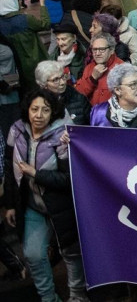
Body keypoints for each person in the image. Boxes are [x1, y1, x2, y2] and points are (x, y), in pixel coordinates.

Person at [3, 88, 86, 302]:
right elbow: (10, 167)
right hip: (32, 206)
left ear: (53, 113)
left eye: (45, 110)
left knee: (71, 255)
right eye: (34, 109)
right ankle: (48, 298)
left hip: (63, 207)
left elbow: (69, 180)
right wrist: (11, 203)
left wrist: (36, 174)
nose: (38, 115)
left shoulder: (63, 136)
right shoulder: (17, 130)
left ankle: (77, 296)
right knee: (33, 255)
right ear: (27, 110)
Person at [0, 0, 49, 89]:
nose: (19, 2)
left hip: (17, 67)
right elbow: (45, 24)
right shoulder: (26, 19)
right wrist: (42, 5)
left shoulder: (1, 24)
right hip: (36, 62)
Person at [76, 32, 126, 106]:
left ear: (111, 50)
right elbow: (78, 95)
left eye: (102, 49)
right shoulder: (89, 68)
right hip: (91, 114)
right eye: (94, 49)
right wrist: (92, 79)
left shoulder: (122, 69)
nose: (97, 53)